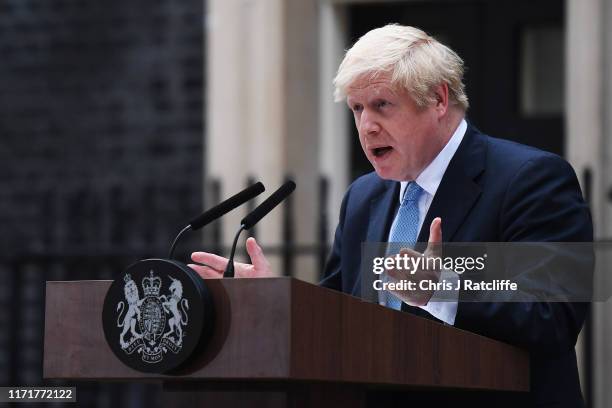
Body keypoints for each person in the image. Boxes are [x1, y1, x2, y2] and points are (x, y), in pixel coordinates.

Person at [189, 24, 593, 408]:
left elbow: (553, 316)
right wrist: (278, 300)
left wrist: (442, 289)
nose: (366, 126)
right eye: (357, 108)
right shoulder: (363, 197)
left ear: (438, 99)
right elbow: (339, 319)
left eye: (382, 105)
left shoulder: (530, 179)